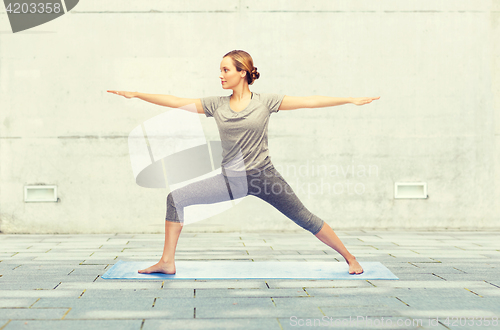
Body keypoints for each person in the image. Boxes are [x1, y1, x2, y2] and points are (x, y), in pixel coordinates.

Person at [108, 50, 380, 276]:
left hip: (265, 178)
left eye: (226, 70)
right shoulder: (216, 105)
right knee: (175, 198)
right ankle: (167, 262)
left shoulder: (266, 102)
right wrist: (137, 93)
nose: (221, 75)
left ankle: (350, 258)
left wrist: (349, 99)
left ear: (243, 72)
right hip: (230, 181)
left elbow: (309, 101)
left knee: (306, 219)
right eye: (221, 70)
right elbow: (177, 101)